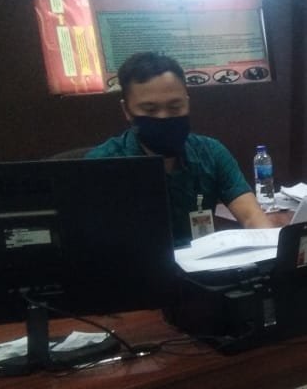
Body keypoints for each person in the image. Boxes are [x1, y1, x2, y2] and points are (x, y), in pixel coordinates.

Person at [87, 52, 270, 246]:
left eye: (175, 107)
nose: (163, 117)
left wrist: (272, 246)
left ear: (187, 103)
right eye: (150, 110)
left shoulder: (211, 152)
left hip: (202, 262)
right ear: (127, 110)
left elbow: (252, 216)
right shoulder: (101, 165)